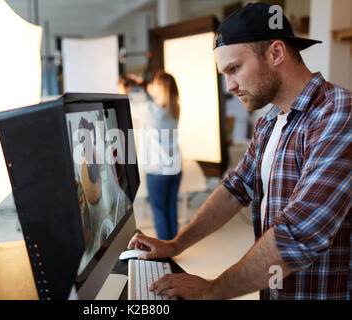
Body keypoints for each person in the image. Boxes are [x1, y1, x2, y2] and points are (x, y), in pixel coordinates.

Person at [128, 2, 351, 300]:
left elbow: (299, 235)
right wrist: (175, 244)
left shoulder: (338, 113)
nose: (229, 85)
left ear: (275, 53)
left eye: (235, 69)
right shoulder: (271, 121)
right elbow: (236, 188)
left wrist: (211, 290)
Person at [119, 71, 182, 241]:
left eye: (154, 83)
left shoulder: (150, 111)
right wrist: (142, 84)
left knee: (159, 212)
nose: (151, 85)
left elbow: (130, 102)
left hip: (157, 171)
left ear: (160, 89)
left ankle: (164, 249)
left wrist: (128, 88)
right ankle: (173, 245)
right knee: (170, 209)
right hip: (175, 168)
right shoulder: (174, 109)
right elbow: (149, 98)